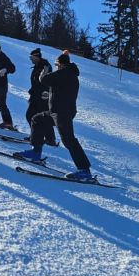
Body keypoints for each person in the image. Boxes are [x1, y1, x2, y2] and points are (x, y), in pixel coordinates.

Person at [17, 50, 93, 181]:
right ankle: (35, 152)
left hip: (62, 113)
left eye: (57, 64)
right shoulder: (68, 74)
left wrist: (44, 72)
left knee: (69, 140)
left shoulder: (65, 73)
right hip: (57, 111)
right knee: (37, 119)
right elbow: (59, 88)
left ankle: (84, 170)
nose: (56, 66)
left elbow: (45, 80)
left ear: (61, 65)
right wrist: (50, 96)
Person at [26, 48, 56, 146]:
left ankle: (50, 140)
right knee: (30, 115)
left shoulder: (46, 66)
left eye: (32, 57)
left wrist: (46, 93)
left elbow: (46, 81)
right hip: (35, 96)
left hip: (43, 97)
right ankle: (35, 136)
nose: (30, 59)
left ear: (37, 56)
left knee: (43, 118)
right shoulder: (36, 66)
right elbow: (35, 83)